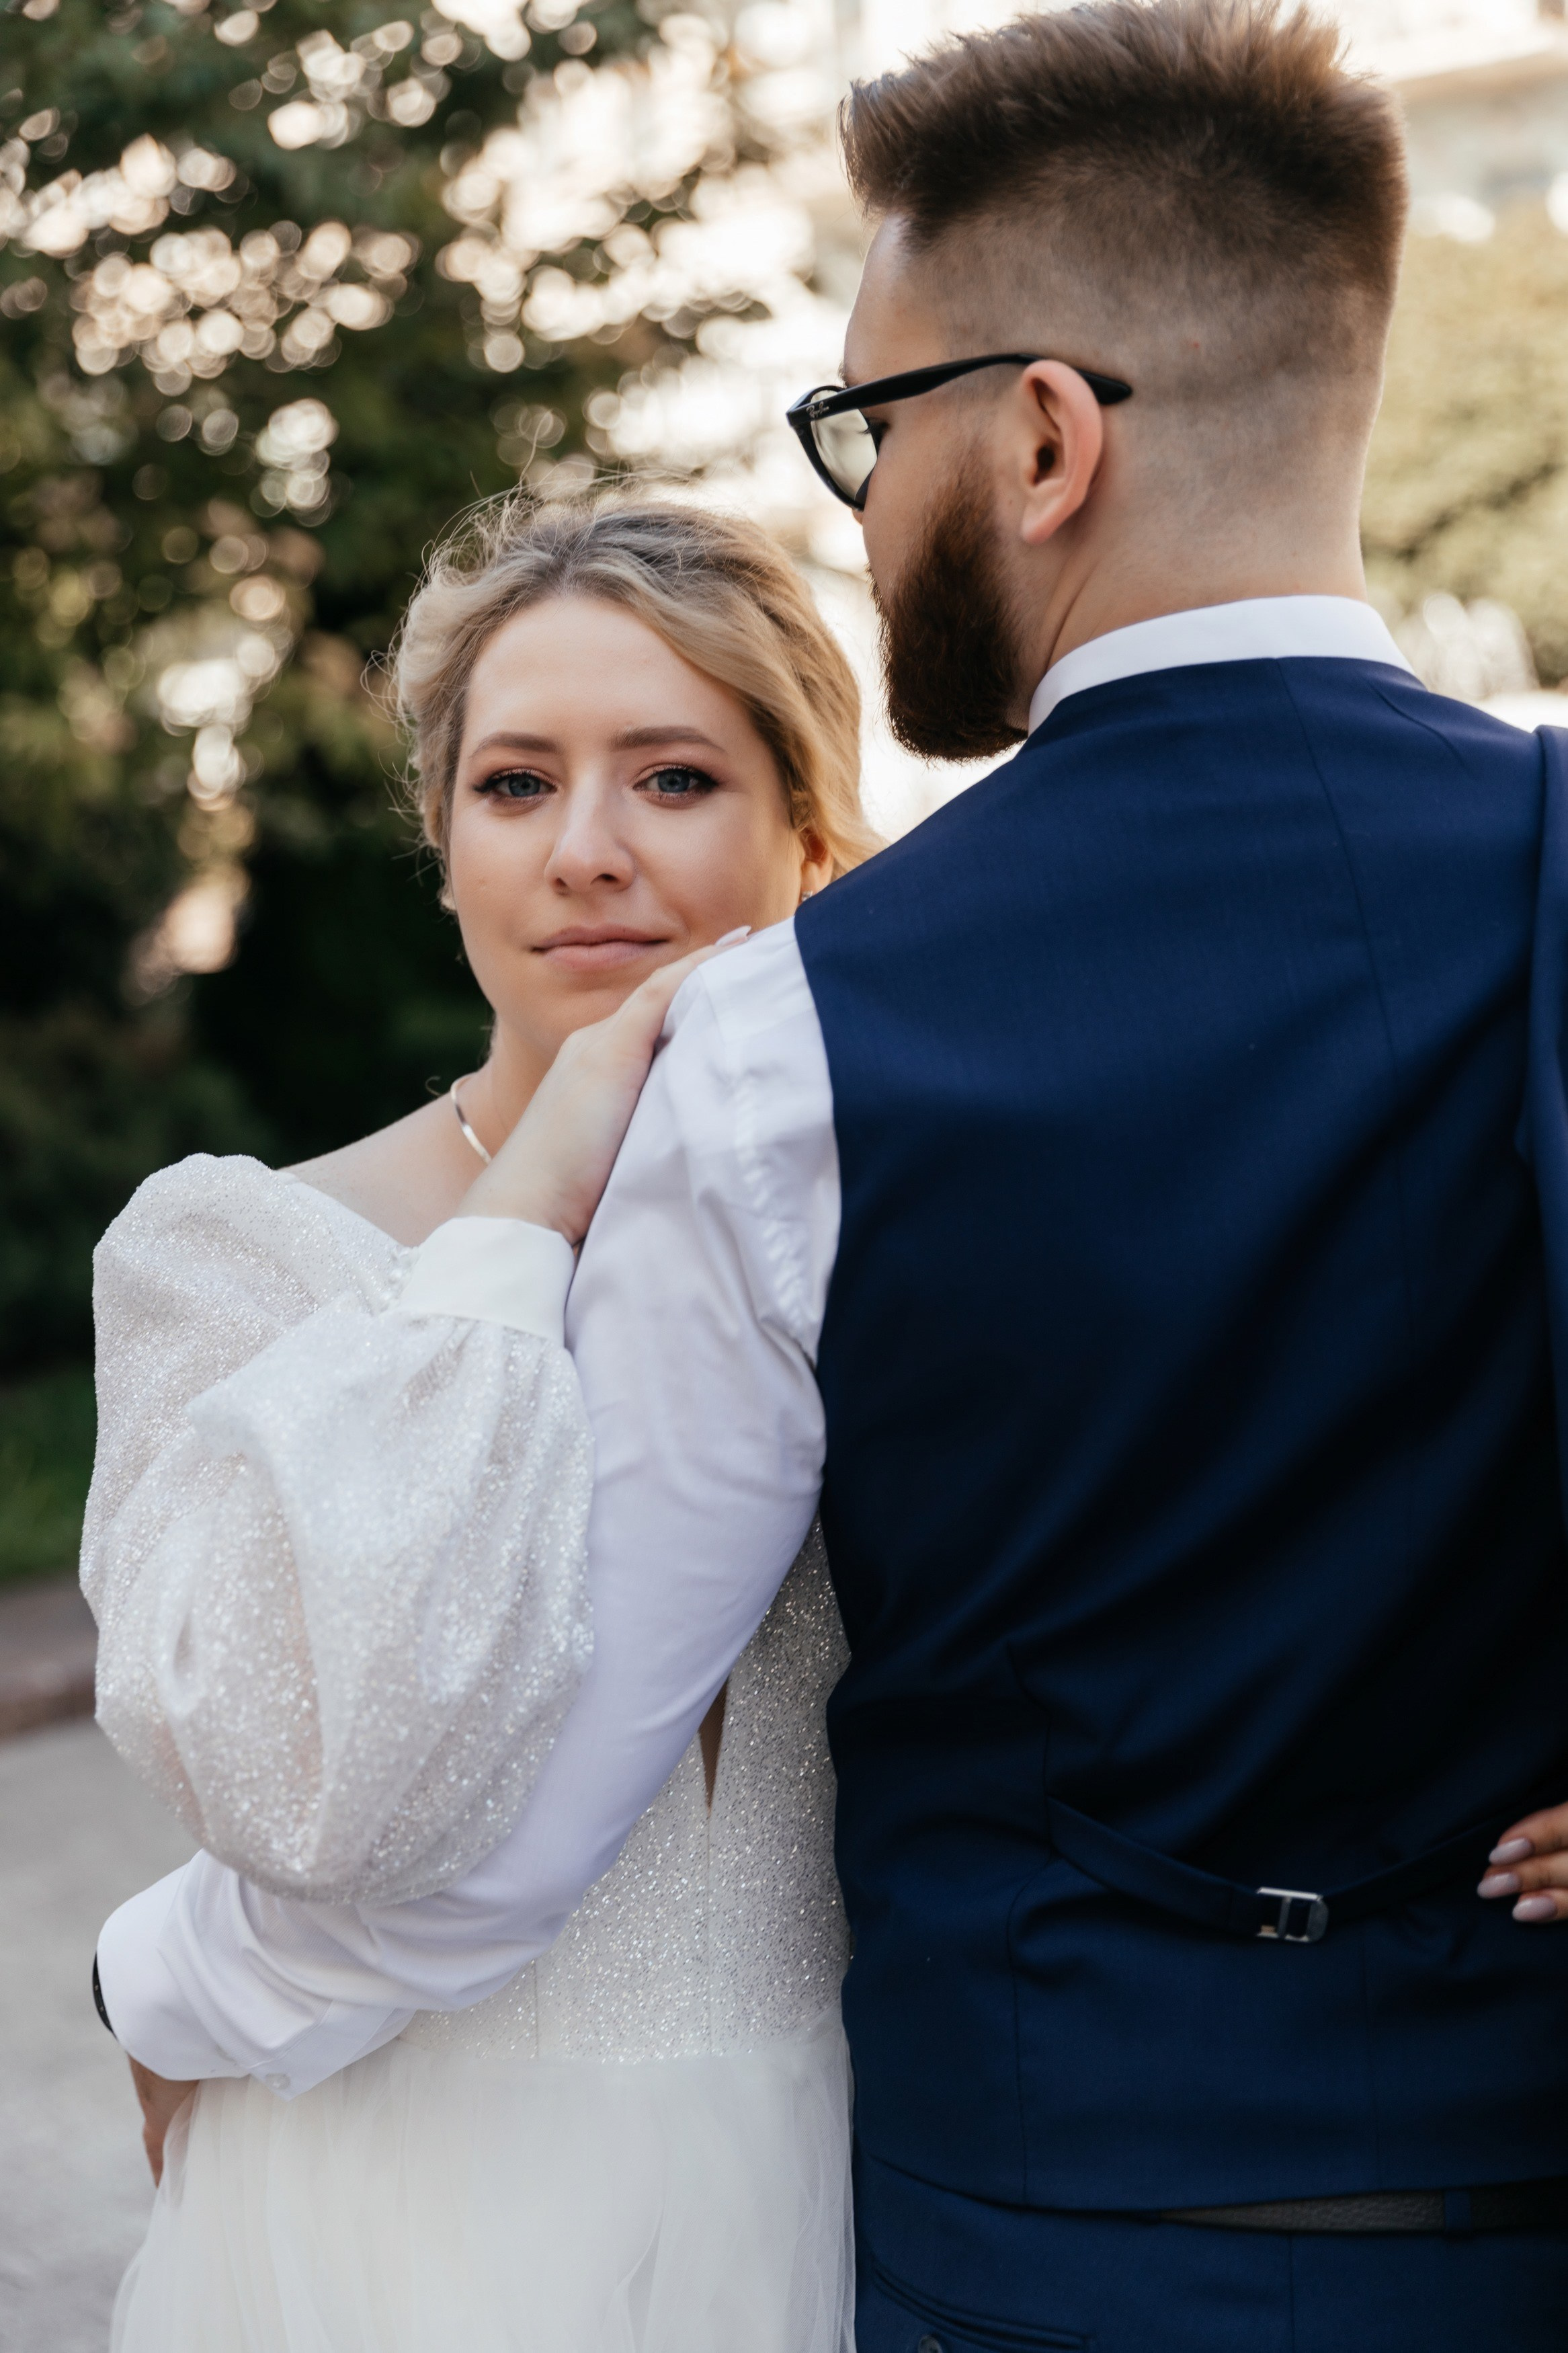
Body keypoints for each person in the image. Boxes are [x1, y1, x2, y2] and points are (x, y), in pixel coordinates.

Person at [95, 3, 1568, 2346]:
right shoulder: (1556, 860)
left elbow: (530, 1814)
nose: (863, 503)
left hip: (1045, 2238)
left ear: (1046, 438)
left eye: (873, 427)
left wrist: (157, 1970)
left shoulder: (799, 1034)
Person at [84, 496, 874, 2352]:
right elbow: (302, 1776)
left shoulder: (904, 1238)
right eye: (517, 785)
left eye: (674, 778)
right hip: (385, 2213)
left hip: (833, 2189)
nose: (587, 853)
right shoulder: (234, 1256)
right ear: (438, 844)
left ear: (808, 831)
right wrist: (546, 1175)